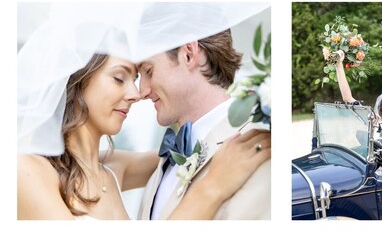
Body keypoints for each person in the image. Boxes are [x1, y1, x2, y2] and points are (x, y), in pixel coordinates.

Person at [17, 54, 269, 219]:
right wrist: (211, 188)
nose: (136, 93)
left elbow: (198, 144)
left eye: (136, 78)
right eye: (119, 78)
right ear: (77, 79)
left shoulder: (115, 169)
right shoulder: (26, 170)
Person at [137, 29, 272, 220]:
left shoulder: (260, 148)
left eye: (149, 71)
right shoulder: (161, 168)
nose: (142, 91)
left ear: (189, 54)